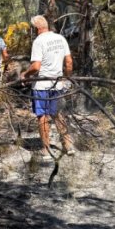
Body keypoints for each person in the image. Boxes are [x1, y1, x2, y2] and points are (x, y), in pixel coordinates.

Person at [21, 15, 75, 156]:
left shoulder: (39, 42)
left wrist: (25, 75)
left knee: (43, 117)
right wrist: (66, 79)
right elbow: (69, 62)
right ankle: (68, 146)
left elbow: (36, 66)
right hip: (57, 84)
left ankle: (46, 149)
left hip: (41, 86)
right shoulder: (60, 38)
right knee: (57, 115)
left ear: (37, 29)